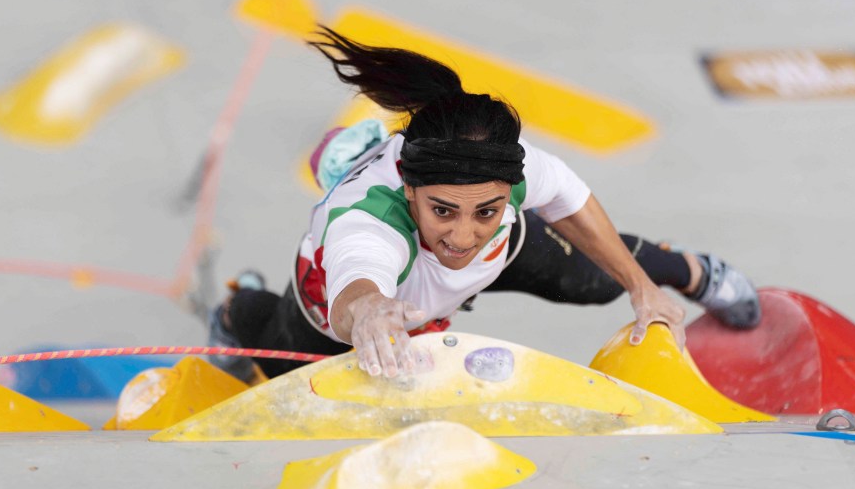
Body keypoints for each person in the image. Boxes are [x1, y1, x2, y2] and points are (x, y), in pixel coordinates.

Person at [207, 26, 761, 382]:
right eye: (443, 210)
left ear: (507, 194)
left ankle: (697, 273)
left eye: (487, 212)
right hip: (335, 311)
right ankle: (237, 309)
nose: (465, 237)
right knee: (288, 364)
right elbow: (356, 280)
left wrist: (643, 289)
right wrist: (367, 312)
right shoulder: (366, 222)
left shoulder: (503, 168)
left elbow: (571, 199)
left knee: (592, 278)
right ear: (408, 190)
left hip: (461, 270)